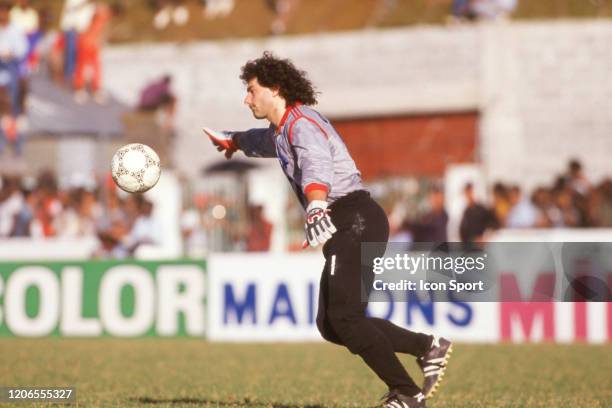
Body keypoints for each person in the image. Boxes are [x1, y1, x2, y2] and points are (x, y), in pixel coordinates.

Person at [204, 52, 452, 408]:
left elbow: (315, 162)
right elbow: (264, 142)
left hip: (355, 219)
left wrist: (316, 202)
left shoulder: (302, 124)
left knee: (345, 317)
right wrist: (235, 141)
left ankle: (408, 394)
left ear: (274, 89)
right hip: (350, 222)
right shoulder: (285, 127)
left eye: (251, 90)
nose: (246, 98)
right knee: (333, 325)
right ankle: (427, 347)